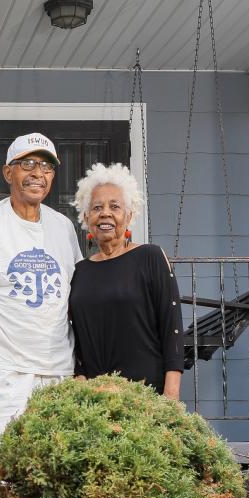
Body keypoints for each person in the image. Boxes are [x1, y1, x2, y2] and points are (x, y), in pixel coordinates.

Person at [0, 133, 82, 459]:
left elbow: (79, 301)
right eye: (27, 164)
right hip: (4, 378)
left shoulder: (64, 228)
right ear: (8, 172)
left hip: (60, 377)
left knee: (54, 479)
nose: (38, 173)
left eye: (46, 166)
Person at [68, 162, 184, 398]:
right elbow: (77, 338)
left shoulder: (150, 257)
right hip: (95, 399)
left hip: (146, 395)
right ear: (86, 216)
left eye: (115, 206)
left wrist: (171, 396)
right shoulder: (80, 271)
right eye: (97, 207)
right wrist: (80, 381)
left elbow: (172, 327)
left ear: (129, 216)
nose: (105, 213)